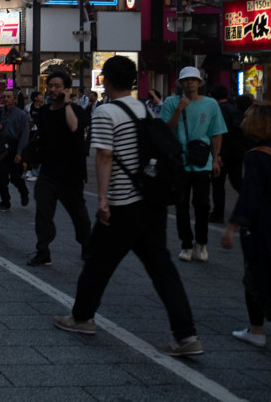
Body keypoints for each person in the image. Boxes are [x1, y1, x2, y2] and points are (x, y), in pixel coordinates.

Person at [54, 55, 203, 358]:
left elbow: (105, 157)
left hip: (123, 204)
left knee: (97, 263)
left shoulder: (105, 110)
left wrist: (104, 199)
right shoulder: (142, 108)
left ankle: (82, 318)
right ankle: (186, 336)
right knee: (162, 270)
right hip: (151, 202)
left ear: (106, 80)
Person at [160, 66, 226, 263]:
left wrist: (216, 158)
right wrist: (179, 109)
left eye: (192, 80)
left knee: (202, 204)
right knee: (181, 205)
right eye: (185, 80)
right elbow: (166, 129)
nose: (189, 83)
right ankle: (186, 244)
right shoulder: (172, 102)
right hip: (179, 161)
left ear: (199, 83)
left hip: (202, 161)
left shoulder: (211, 104)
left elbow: (216, 133)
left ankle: (202, 243)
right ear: (180, 83)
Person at [28, 68, 92, 267]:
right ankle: (43, 250)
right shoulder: (45, 112)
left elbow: (74, 127)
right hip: (48, 172)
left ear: (67, 89)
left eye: (57, 86)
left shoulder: (78, 111)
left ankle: (87, 245)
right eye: (50, 86)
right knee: (43, 211)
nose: (52, 89)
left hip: (71, 174)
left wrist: (66, 104)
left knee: (79, 215)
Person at [221, 103, 271, 348]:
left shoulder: (255, 156)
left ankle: (256, 329)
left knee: (255, 275)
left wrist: (232, 227)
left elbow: (249, 196)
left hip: (261, 225)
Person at [209, 85, 245, 224]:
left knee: (218, 184)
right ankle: (253, 203)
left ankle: (218, 214)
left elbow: (219, 133)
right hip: (237, 152)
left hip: (223, 153)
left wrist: (218, 155)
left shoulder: (218, 110)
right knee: (237, 181)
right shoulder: (234, 109)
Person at [0, 89, 30, 211]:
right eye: (4, 97)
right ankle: (5, 201)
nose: (6, 100)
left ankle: (23, 191)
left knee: (15, 178)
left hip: (15, 148)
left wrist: (20, 153)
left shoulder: (21, 115)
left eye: (9, 97)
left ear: (15, 99)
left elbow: (24, 135)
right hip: (2, 148)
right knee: (1, 177)